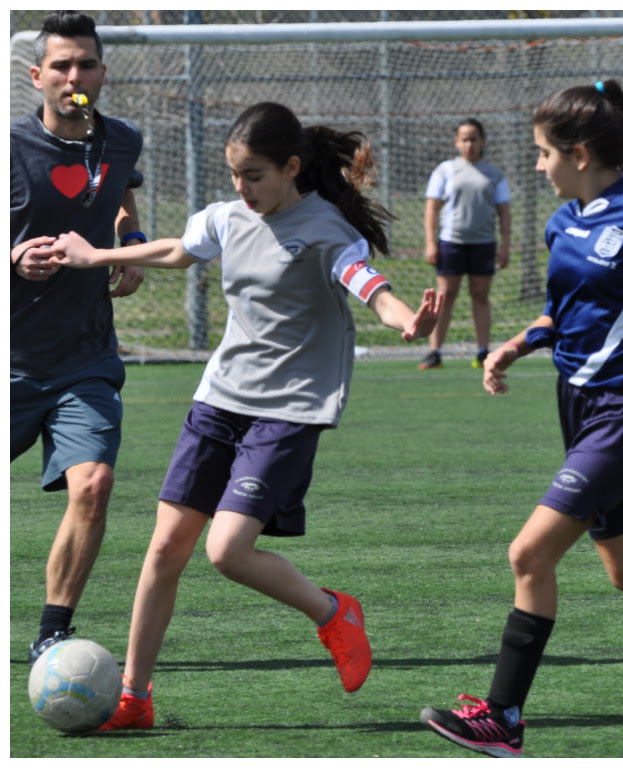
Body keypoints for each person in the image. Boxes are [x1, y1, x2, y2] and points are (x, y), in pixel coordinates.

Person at [50, 101, 443, 730]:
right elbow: (180, 249)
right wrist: (97, 256)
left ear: (291, 167)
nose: (243, 188)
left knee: (228, 551)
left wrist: (406, 321)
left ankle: (333, 613)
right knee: (163, 552)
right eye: (235, 175)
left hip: (290, 409)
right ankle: (134, 698)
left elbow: (369, 284)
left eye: (255, 175)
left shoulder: (326, 230)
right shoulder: (228, 218)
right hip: (220, 398)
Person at [418, 80, 623, 759]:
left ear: (576, 152)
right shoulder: (564, 220)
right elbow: (562, 311)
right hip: (577, 408)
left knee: (528, 553)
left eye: (542, 154)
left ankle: (503, 719)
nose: (536, 167)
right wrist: (517, 343)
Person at [11, 10, 148, 664]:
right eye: (61, 66)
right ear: (37, 75)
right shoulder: (8, 147)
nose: (74, 77)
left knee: (92, 485)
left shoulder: (122, 141)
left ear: (101, 72)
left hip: (85, 359)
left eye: (86, 64)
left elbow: (123, 205)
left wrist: (133, 251)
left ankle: (52, 635)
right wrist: (13, 259)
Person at [419, 117, 512, 370]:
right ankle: (435, 352)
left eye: (473, 138)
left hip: (483, 243)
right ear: (456, 142)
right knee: (445, 296)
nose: (469, 144)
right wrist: (431, 242)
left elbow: (504, 211)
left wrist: (505, 245)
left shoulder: (494, 174)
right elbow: (432, 208)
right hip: (451, 243)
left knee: (480, 297)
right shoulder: (445, 170)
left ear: (482, 141)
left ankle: (483, 352)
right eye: (464, 139)